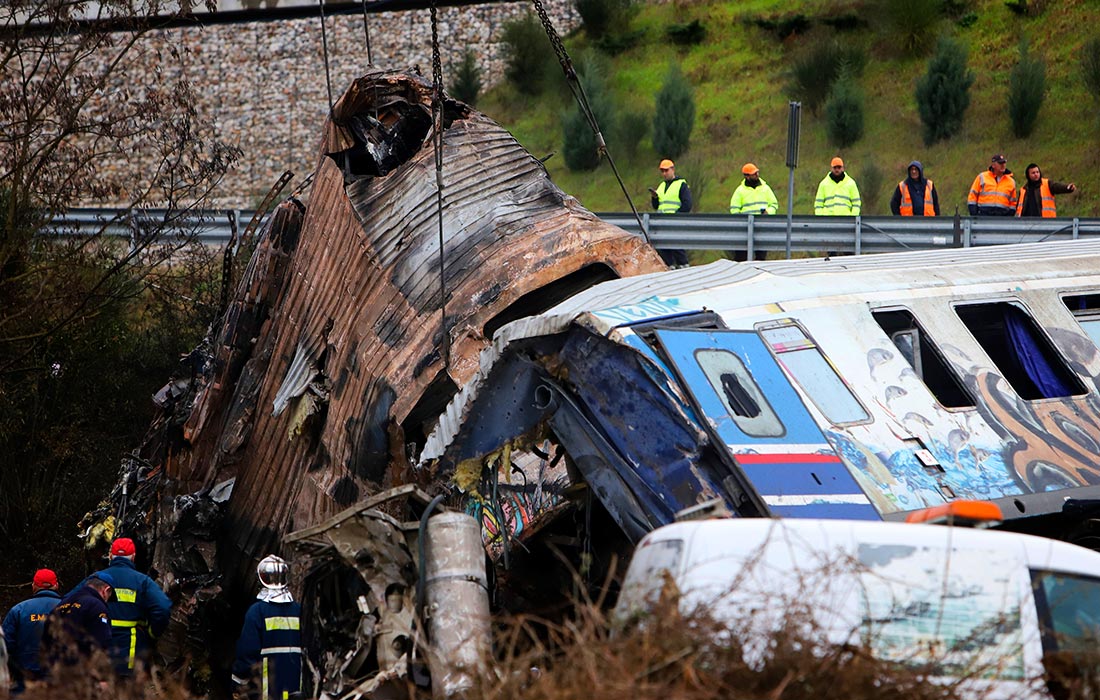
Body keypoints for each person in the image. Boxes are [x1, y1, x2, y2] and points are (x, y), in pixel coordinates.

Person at [91, 537, 172, 676]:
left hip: (100, 654)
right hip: (131, 656)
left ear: (111, 556)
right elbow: (163, 607)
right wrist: (152, 632)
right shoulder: (143, 581)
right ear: (133, 557)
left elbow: (69, 603)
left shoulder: (95, 579)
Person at [232, 555, 303, 700]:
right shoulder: (299, 611)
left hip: (266, 692)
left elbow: (247, 653)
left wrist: (238, 683)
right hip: (296, 690)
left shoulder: (256, 612)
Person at [2, 569, 62, 693]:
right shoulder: (69, 608)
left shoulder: (18, 610)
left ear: (33, 586)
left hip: (24, 682)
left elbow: (6, 647)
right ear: (56, 585)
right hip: (59, 681)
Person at [42, 573, 113, 668]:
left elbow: (46, 640)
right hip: (82, 672)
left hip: (57, 672)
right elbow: (101, 642)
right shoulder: (97, 606)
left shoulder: (61, 605)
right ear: (106, 590)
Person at [648, 158, 691, 268]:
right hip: (662, 223)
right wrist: (654, 198)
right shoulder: (662, 186)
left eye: (666, 170)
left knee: (676, 245)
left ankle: (683, 266)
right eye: (662, 171)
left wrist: (676, 216)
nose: (664, 173)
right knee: (664, 248)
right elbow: (656, 206)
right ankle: (669, 267)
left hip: (675, 222)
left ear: (673, 170)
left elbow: (687, 205)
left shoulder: (681, 184)